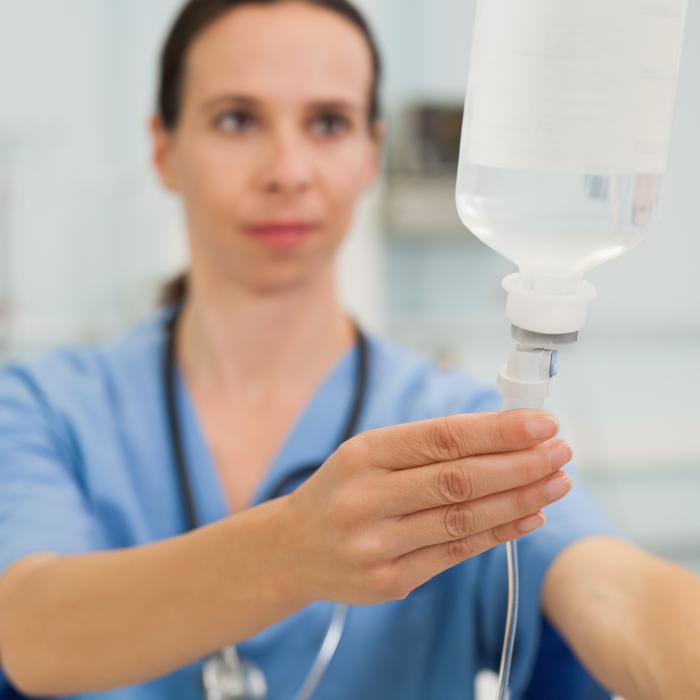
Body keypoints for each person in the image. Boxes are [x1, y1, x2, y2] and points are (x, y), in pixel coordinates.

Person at [0, 1, 698, 699]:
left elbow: (614, 591)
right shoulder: (43, 410)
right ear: (163, 149)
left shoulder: (452, 423)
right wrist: (293, 551)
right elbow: (30, 631)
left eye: (328, 123)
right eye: (237, 119)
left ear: (371, 152)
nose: (287, 171)